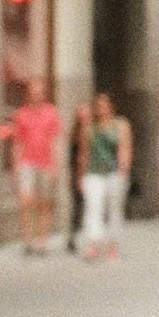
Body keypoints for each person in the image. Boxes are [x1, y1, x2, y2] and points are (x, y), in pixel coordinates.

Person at [10, 76, 61, 254]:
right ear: (29, 94)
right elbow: (17, 142)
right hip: (27, 162)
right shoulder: (21, 114)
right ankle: (27, 240)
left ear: (43, 94)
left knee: (45, 203)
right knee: (26, 202)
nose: (36, 95)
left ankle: (42, 240)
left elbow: (55, 140)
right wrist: (15, 166)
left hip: (46, 162)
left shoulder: (51, 112)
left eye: (39, 92)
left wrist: (56, 165)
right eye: (33, 92)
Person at [81, 91, 133, 260]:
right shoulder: (90, 127)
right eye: (98, 106)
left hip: (114, 171)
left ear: (111, 106)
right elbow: (84, 151)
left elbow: (125, 147)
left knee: (114, 209)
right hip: (94, 172)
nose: (101, 109)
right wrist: (81, 174)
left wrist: (124, 169)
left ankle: (113, 243)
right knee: (93, 207)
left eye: (105, 105)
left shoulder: (120, 124)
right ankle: (94, 243)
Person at [66, 101, 91, 252]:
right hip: (78, 174)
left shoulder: (94, 132)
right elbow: (74, 158)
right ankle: (74, 237)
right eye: (81, 114)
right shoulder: (75, 135)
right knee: (77, 205)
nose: (84, 117)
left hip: (92, 173)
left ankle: (88, 237)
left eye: (86, 113)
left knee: (90, 206)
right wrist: (76, 176)